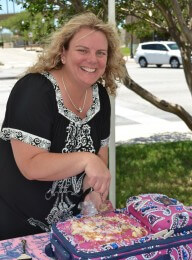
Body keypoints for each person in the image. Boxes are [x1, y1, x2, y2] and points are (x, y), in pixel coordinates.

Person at [0, 12, 125, 240]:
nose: (93, 59)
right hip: (17, 229)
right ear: (63, 53)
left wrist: (93, 195)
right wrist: (87, 160)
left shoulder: (101, 96)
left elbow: (100, 157)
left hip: (71, 230)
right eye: (82, 50)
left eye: (101, 53)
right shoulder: (34, 90)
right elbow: (30, 165)